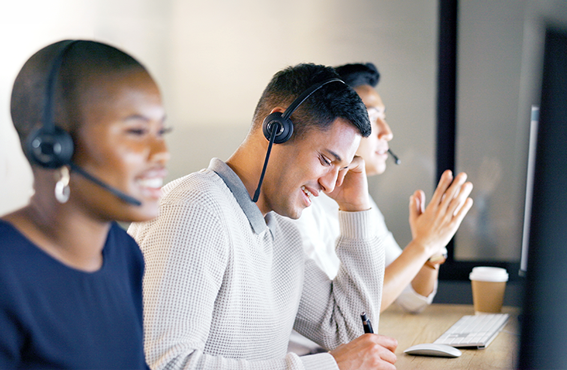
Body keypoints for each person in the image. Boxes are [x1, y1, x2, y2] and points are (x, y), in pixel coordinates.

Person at [129, 63, 413, 370]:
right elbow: (167, 364)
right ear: (277, 128)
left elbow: (349, 334)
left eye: (342, 168)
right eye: (326, 160)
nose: (331, 184)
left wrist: (355, 209)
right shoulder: (195, 209)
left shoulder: (284, 233)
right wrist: (327, 367)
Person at [0, 40, 170, 369]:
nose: (161, 152)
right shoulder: (6, 270)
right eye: (137, 131)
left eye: (161, 131)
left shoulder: (124, 253)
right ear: (51, 147)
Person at [288, 62, 474, 353]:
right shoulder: (296, 205)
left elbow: (413, 296)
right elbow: (351, 321)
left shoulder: (361, 201)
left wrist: (433, 246)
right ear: (340, 127)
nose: (387, 132)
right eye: (373, 118)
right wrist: (423, 244)